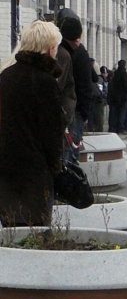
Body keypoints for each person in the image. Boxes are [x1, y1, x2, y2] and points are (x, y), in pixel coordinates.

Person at [0, 20, 65, 226]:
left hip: (5, 166)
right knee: (35, 230)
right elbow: (52, 133)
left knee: (10, 228)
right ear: (48, 49)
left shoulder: (5, 76)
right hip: (34, 170)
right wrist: (56, 167)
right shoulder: (45, 82)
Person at [57, 12, 94, 147]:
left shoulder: (63, 53)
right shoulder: (70, 54)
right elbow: (86, 84)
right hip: (73, 111)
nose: (77, 41)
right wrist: (84, 114)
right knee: (70, 151)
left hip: (70, 110)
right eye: (75, 38)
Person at [108, 60, 127, 134]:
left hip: (115, 96)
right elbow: (126, 86)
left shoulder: (115, 73)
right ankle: (121, 128)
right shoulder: (124, 73)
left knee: (116, 113)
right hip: (122, 96)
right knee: (122, 113)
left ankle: (115, 127)